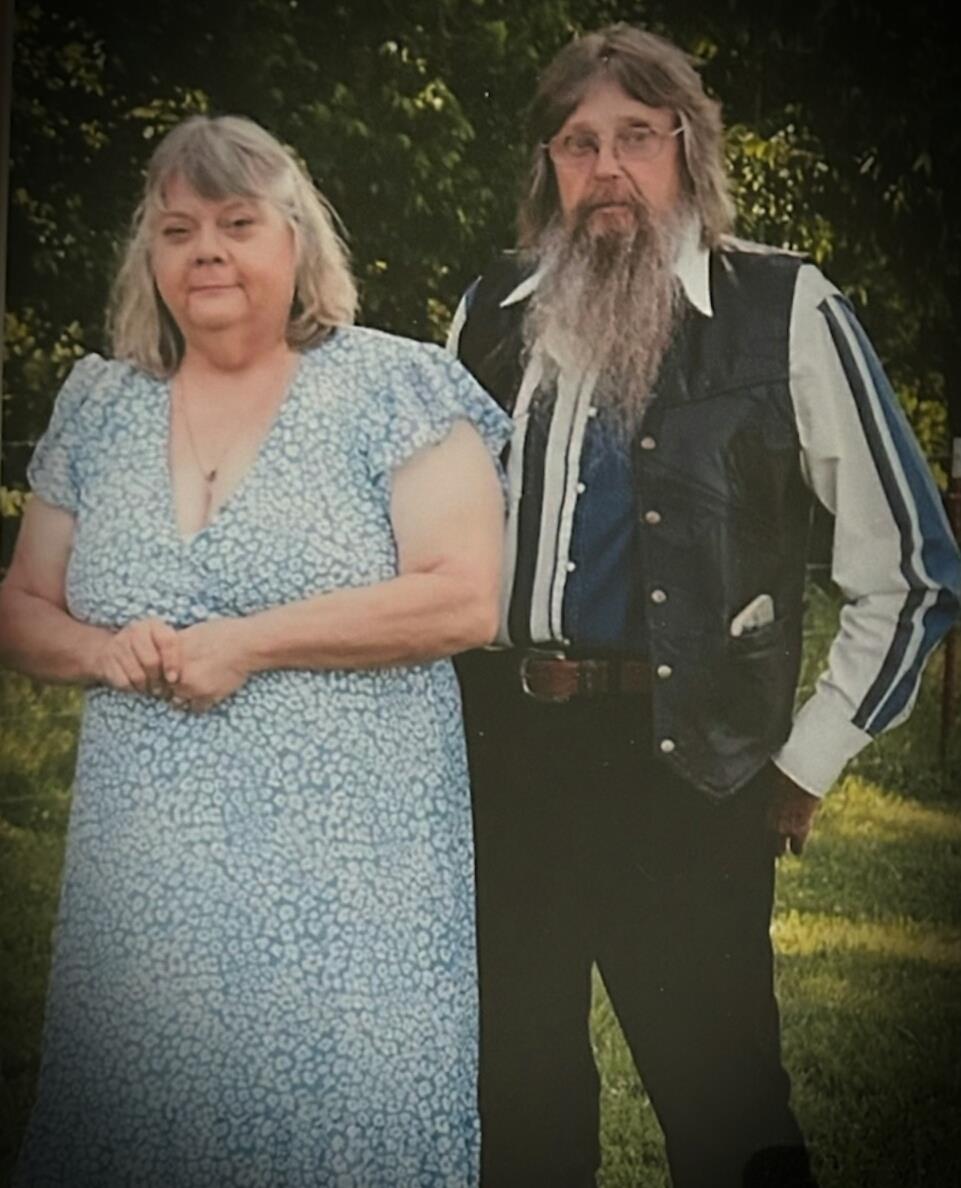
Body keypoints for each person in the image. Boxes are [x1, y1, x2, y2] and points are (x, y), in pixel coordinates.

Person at [447, 24, 961, 1188]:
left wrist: (803, 762)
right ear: (548, 165)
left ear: (688, 148)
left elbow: (913, 567)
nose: (608, 167)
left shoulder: (783, 304)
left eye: (637, 135)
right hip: (499, 760)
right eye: (578, 143)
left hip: (685, 769)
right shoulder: (489, 310)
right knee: (516, 1107)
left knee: (725, 1107)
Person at [0, 113, 511, 1187]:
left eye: (237, 223)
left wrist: (248, 643)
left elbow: (464, 600)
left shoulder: (393, 387)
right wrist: (101, 652)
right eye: (177, 229)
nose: (208, 253)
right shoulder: (99, 405)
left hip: (349, 876)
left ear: (298, 244)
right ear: (150, 255)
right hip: (143, 879)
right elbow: (24, 606)